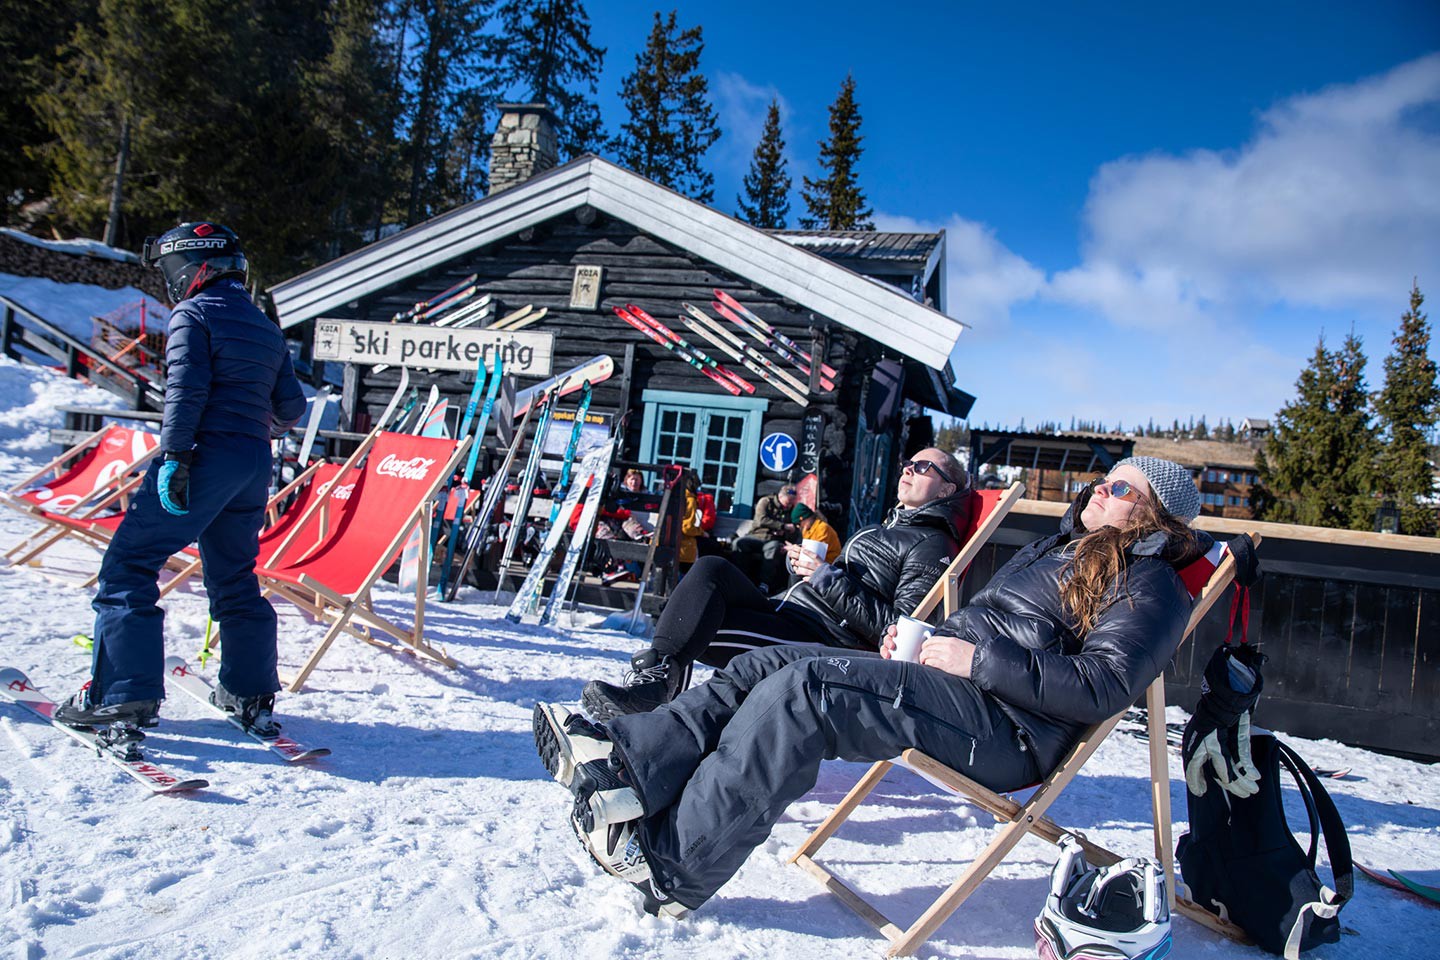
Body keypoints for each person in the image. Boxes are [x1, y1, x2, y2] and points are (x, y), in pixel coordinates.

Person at [536, 456, 1208, 918]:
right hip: (964, 695)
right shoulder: (1060, 550)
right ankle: (631, 765)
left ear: (1158, 517)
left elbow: (1103, 685)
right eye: (1103, 480)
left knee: (806, 692)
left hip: (1011, 730)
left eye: (1122, 490)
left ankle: (674, 865)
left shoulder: (1150, 585)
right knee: (766, 665)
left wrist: (974, 660)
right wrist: (917, 646)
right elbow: (995, 634)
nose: (1099, 490)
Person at [55, 222, 306, 739]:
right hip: (252, 463)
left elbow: (184, 391)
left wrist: (175, 455)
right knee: (235, 576)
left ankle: (123, 697)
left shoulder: (194, 313)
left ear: (193, 268)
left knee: (129, 564)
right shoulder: (264, 324)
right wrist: (250, 431)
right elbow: (292, 407)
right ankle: (249, 693)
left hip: (202, 457)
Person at [581, 448, 972, 719]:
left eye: (922, 468)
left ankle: (654, 700)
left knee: (697, 624)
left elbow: (900, 634)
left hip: (822, 640)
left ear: (946, 490)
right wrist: (806, 571)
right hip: (794, 610)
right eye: (908, 463)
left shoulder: (932, 544)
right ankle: (657, 682)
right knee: (711, 569)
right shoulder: (891, 529)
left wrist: (823, 575)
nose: (907, 469)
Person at [731, 483, 799, 589]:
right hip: (757, 536)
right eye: (787, 502)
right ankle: (738, 578)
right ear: (780, 496)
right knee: (739, 543)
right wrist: (782, 526)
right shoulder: (766, 502)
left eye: (791, 503)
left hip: (773, 541)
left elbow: (794, 528)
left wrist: (786, 532)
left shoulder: (791, 509)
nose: (788, 505)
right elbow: (761, 520)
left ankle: (764, 584)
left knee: (774, 548)